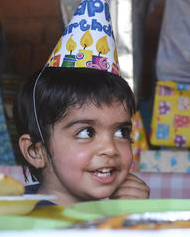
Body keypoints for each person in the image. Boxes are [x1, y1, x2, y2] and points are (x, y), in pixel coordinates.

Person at [13, 67, 150, 206]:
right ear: (36, 152)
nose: (110, 149)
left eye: (122, 132)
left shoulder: (113, 213)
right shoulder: (22, 222)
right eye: (86, 132)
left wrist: (133, 217)